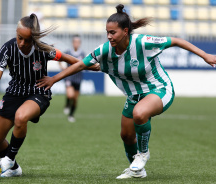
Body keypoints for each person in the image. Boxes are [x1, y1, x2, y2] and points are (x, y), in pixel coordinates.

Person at [37, 4, 216, 179]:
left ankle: (143, 154)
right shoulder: (104, 51)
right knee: (126, 135)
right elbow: (81, 64)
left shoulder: (143, 43)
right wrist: (54, 79)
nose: (109, 36)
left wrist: (205, 56)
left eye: (112, 32)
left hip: (159, 89)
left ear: (125, 31)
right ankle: (136, 169)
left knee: (140, 114)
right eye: (107, 32)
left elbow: (177, 40)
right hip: (133, 96)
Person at [0, 14, 98, 178]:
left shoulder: (44, 49)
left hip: (39, 92)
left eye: (27, 40)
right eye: (19, 38)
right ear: (16, 33)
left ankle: (8, 159)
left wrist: (95, 67)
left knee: (20, 117)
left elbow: (71, 60)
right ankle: (14, 168)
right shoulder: (7, 48)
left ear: (34, 39)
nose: (22, 43)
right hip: (14, 93)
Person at [59, 35, 85, 122]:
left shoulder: (82, 54)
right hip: (69, 77)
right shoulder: (68, 52)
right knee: (70, 95)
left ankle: (71, 114)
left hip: (78, 78)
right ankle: (67, 104)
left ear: (80, 43)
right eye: (75, 42)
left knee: (75, 99)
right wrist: (62, 68)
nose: (76, 44)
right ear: (72, 43)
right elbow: (59, 58)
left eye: (78, 42)